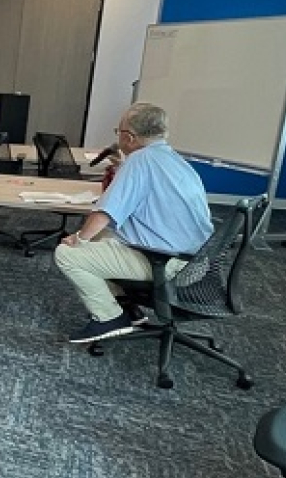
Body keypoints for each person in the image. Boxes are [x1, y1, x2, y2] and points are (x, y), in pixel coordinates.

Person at [54, 102, 213, 344]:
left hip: (166, 263)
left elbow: (104, 214)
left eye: (118, 133)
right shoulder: (176, 161)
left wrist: (78, 240)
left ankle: (109, 318)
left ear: (129, 137)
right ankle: (127, 307)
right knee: (101, 237)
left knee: (68, 253)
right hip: (198, 262)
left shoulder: (139, 162)